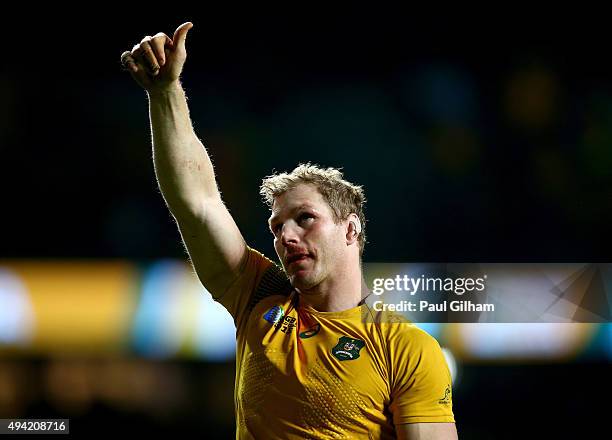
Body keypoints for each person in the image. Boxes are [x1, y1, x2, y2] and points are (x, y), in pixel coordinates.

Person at [121, 22, 458, 440]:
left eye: (305, 219)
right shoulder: (259, 300)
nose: (286, 236)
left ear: (350, 228)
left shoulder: (405, 348)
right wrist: (165, 93)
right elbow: (199, 205)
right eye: (277, 226)